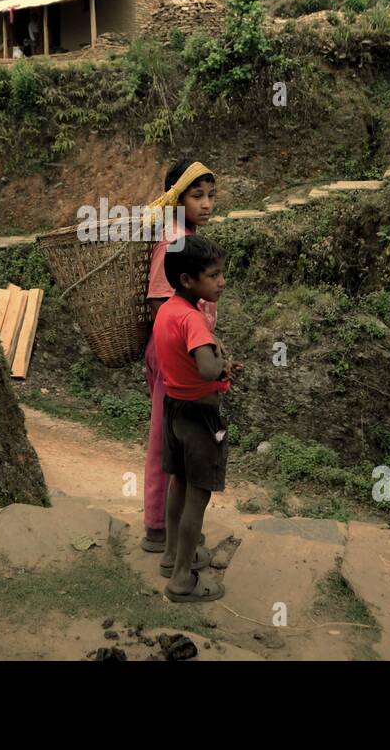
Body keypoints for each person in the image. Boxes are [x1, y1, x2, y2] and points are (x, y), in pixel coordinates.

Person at [141, 160, 217, 558]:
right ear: (177, 199)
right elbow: (159, 302)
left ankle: (176, 528)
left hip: (184, 352)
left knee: (179, 439)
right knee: (165, 438)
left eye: (210, 196)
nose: (206, 204)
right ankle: (158, 527)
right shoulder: (173, 240)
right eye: (197, 196)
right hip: (172, 354)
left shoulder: (186, 235)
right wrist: (185, 354)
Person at [154, 235, 235, 602]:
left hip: (173, 410)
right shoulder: (194, 320)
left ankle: (172, 557)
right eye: (214, 275)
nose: (221, 282)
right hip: (200, 417)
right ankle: (183, 580)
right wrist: (224, 368)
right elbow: (205, 368)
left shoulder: (167, 310)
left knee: (179, 485)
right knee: (197, 499)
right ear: (188, 280)